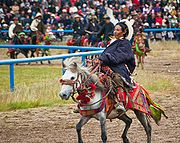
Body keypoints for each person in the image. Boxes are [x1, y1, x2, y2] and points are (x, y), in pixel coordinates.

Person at [96, 19, 136, 112]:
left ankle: (120, 102)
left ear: (124, 32)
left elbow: (119, 57)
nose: (115, 31)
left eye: (118, 30)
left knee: (117, 79)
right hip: (106, 66)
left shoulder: (125, 43)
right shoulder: (112, 42)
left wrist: (104, 58)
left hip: (118, 68)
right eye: (115, 29)